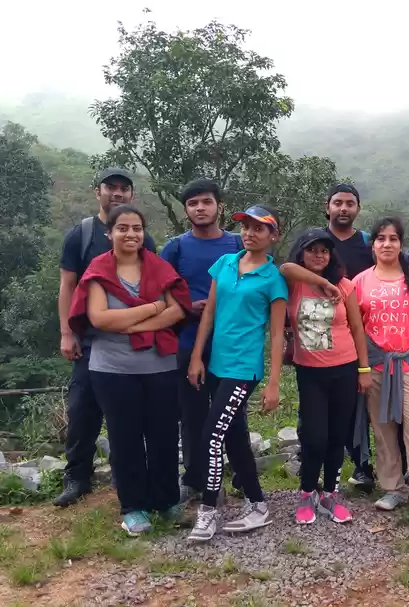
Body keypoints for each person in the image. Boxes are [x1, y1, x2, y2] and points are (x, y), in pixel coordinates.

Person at [67, 204, 191, 535]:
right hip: (112, 367)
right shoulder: (98, 269)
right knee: (125, 438)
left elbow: (176, 311)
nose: (131, 234)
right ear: (110, 233)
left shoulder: (158, 267)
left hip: (160, 365)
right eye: (123, 228)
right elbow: (100, 319)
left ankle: (166, 501)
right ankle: (133, 507)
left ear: (143, 232)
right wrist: (152, 309)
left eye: (137, 228)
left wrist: (132, 325)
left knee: (164, 435)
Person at [185, 204, 289, 541]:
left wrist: (274, 383)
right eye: (245, 227)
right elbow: (210, 313)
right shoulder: (226, 264)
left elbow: (276, 335)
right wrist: (196, 357)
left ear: (273, 235)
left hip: (243, 368)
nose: (249, 233)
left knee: (211, 435)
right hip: (215, 362)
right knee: (233, 436)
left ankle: (209, 511)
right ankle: (257, 504)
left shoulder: (273, 280)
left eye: (259, 228)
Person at [55, 168, 157, 508]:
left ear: (132, 196)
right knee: (84, 408)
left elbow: (152, 284)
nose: (117, 193)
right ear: (96, 191)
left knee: (129, 412)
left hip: (129, 342)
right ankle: (77, 477)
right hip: (89, 339)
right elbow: (67, 286)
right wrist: (67, 332)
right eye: (110, 187)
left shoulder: (143, 239)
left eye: (123, 189)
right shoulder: (81, 235)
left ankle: (124, 475)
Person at [352, 217, 409, 527]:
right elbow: (356, 328)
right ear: (373, 244)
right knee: (383, 429)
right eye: (380, 238)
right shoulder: (360, 281)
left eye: (393, 238)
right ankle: (393, 488)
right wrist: (363, 368)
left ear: (401, 243)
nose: (387, 244)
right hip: (376, 366)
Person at [160, 178, 243, 504]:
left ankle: (241, 474)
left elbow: (255, 286)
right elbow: (160, 291)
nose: (200, 208)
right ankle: (196, 480)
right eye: (193, 203)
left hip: (230, 344)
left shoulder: (238, 244)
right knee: (192, 415)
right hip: (188, 342)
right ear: (186, 210)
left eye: (206, 202)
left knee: (233, 412)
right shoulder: (175, 247)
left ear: (218, 206)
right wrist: (184, 308)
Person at [280, 228, 371, 525]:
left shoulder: (345, 285)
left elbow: (358, 329)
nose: (319, 255)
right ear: (302, 253)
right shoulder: (295, 283)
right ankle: (308, 492)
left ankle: (330, 493)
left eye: (324, 250)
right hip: (310, 373)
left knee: (336, 436)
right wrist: (321, 282)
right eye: (312, 249)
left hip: (345, 368)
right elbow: (284, 266)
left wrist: (364, 370)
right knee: (315, 437)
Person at [319, 183, 378, 492]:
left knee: (359, 403)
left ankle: (362, 465)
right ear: (327, 206)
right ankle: (317, 463)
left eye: (350, 203)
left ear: (358, 208)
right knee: (318, 403)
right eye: (338, 202)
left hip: (361, 333)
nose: (343, 208)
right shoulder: (315, 241)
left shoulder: (367, 244)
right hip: (317, 335)